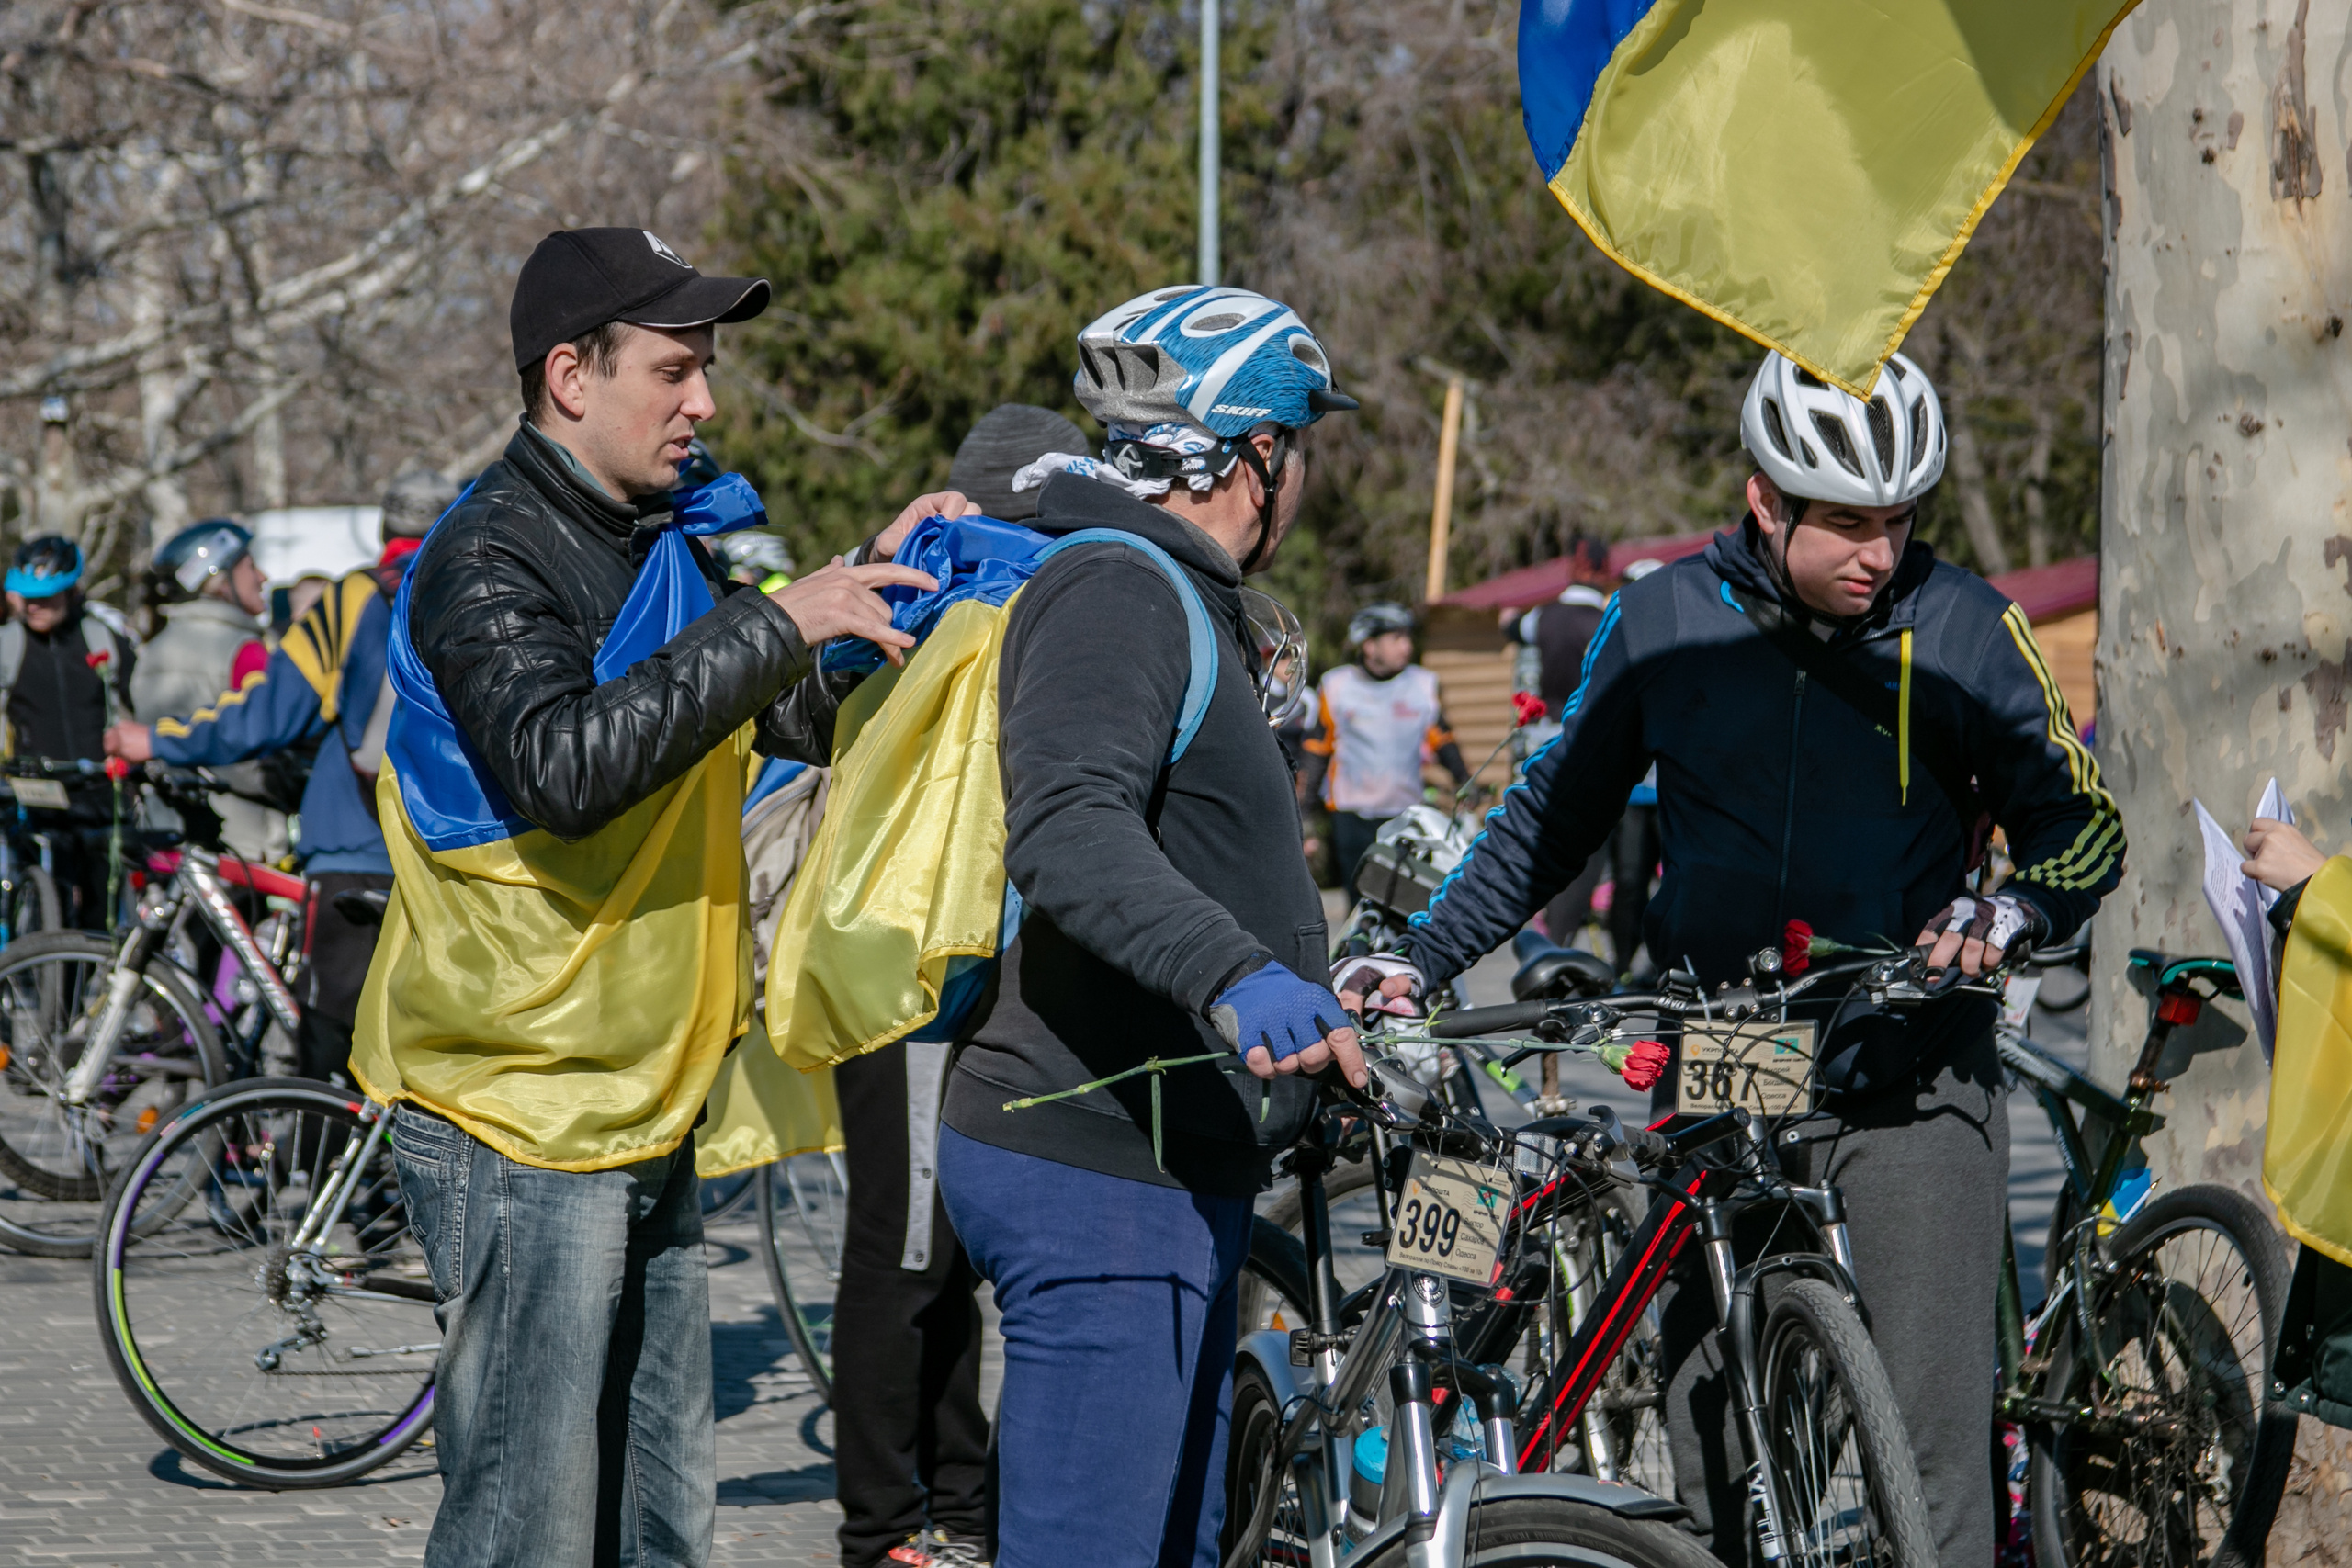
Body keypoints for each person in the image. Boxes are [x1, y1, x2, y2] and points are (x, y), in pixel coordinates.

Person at [1340, 351, 2126, 1568]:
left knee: (1932, 1445)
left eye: (1903, 518)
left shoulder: (1969, 623)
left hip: (1909, 1048)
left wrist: (2016, 913)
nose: (1882, 550)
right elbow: (1554, 814)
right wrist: (1426, 958)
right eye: (1851, 523)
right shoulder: (1663, 618)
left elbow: (2087, 823)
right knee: (1710, 1420)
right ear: (1768, 499)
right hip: (1730, 1044)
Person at [346, 225, 953, 1568]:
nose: (706, 403)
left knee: (660, 1516)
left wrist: (876, 586)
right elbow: (566, 764)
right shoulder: (484, 556)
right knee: (529, 1531)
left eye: (707, 369)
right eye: (676, 369)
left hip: (641, 1095)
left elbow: (766, 711)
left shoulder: (651, 541)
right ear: (572, 375)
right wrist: (781, 618)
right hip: (519, 1109)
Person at [928, 285, 1367, 1568]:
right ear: (1260, 453)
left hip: (1155, 1157)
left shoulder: (1165, 585)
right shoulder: (1119, 584)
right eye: (1305, 448)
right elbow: (1067, 825)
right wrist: (1239, 972)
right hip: (1096, 1162)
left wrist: (1319, 981)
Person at [829, 401, 1085, 1568]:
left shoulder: (961, 579)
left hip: (935, 969)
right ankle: (888, 1526)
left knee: (941, 1257)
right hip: (917, 984)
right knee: (910, 1255)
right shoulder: (952, 586)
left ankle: (957, 1506)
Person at [106, 469, 465, 1089]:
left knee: (331, 1032)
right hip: (459, 850)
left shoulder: (355, 596)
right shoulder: (478, 590)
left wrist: (160, 739)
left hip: (358, 843)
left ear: (385, 531)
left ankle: (320, 1177)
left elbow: (269, 712)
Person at [0, 536, 138, 928]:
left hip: (98, 796)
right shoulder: (8, 646)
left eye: (47, 597)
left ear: (73, 590)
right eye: (28, 597)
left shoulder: (104, 640)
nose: (35, 606)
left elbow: (136, 706)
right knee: (45, 905)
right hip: (32, 797)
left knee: (102, 907)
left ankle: (94, 983)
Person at [130, 518, 285, 863]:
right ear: (218, 579)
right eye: (250, 567)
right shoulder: (245, 650)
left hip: (168, 831)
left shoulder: (153, 645)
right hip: (242, 840)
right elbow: (263, 739)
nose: (263, 578)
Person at [1299, 602, 1472, 890]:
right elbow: (1317, 751)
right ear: (1369, 645)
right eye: (1396, 638)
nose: (1406, 646)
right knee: (1359, 900)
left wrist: (1465, 782)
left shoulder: (1422, 685)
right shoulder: (1336, 685)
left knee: (1401, 900)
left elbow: (1442, 741)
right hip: (1351, 812)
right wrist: (1304, 813)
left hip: (1404, 812)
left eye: (1407, 637)